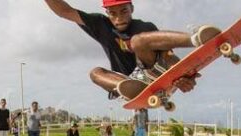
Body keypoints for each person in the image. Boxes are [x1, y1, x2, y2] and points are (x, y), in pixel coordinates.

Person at [44, 0, 219, 99]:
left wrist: (183, 76)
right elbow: (65, 11)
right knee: (94, 73)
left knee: (138, 41)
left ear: (131, 8)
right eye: (113, 14)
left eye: (124, 11)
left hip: (150, 71)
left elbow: (168, 54)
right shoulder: (100, 24)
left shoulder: (144, 26)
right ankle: (127, 87)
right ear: (106, 13)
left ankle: (197, 38)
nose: (119, 18)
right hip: (126, 81)